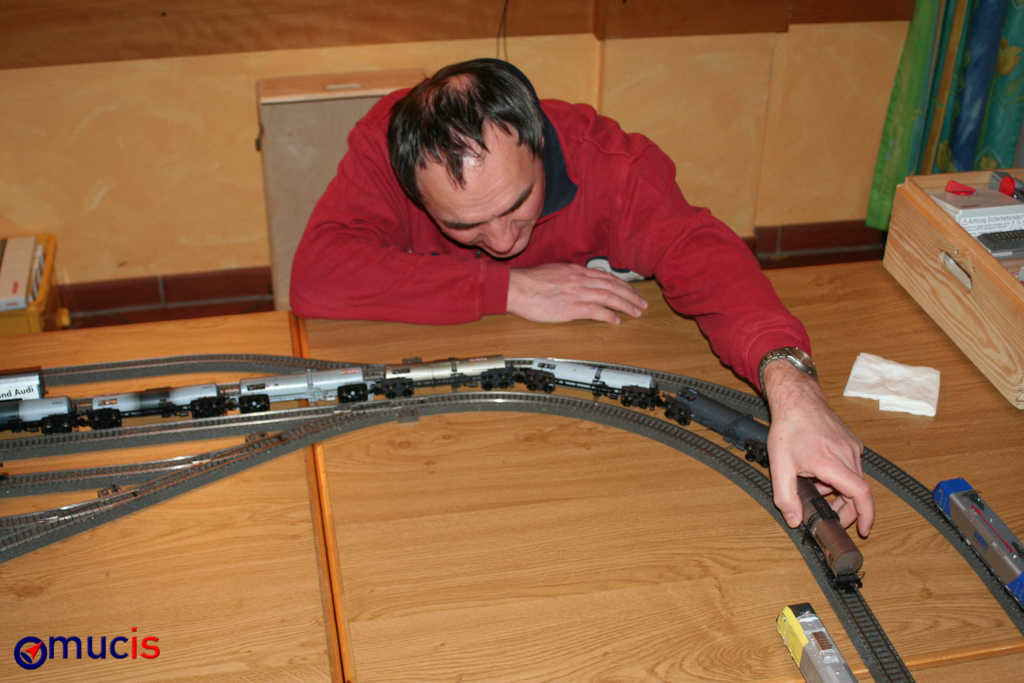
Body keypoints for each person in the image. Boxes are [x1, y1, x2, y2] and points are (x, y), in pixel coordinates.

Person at [291, 58, 874, 538]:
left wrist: (792, 386)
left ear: (540, 144)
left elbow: (703, 257)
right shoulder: (387, 146)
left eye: (515, 205)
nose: (502, 242)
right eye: (463, 226)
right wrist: (507, 287)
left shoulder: (614, 166)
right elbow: (317, 276)